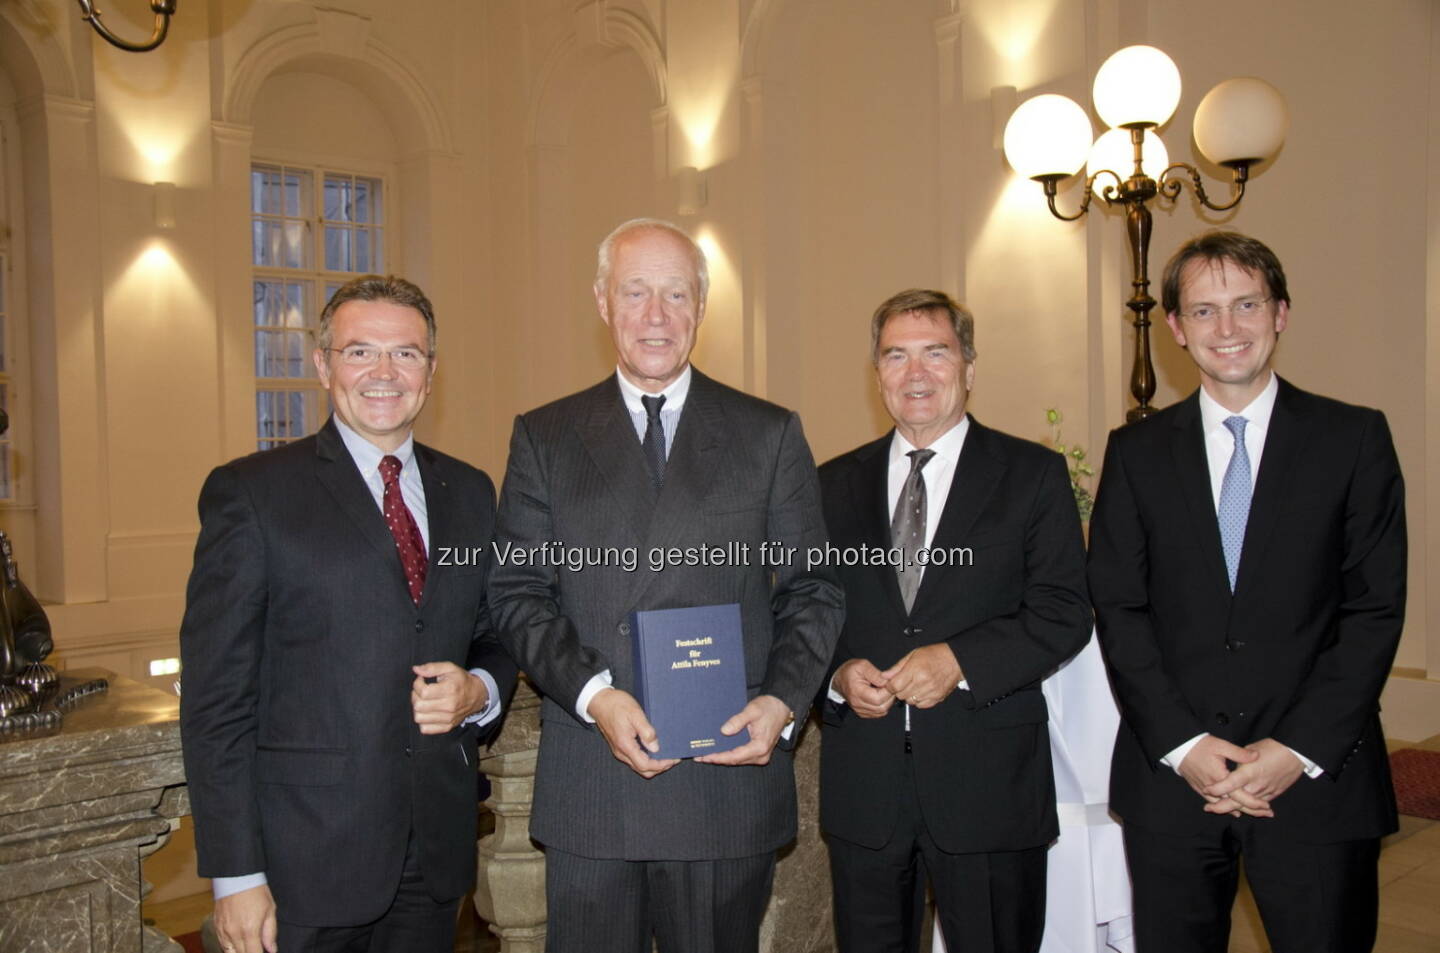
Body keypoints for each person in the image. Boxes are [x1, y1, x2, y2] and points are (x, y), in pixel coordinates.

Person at [487, 218, 844, 953]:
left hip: (723, 772)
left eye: (676, 293)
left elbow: (813, 588)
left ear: (701, 307)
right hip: (593, 778)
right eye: (636, 291)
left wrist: (781, 702)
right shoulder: (546, 436)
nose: (656, 315)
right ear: (602, 301)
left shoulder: (767, 432)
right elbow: (518, 590)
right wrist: (594, 695)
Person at [1088, 231, 1406, 953]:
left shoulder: (1353, 439)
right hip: (1173, 781)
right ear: (1175, 328)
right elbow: (1121, 608)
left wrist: (1295, 748)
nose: (1226, 329)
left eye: (1246, 304)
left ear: (1281, 312)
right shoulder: (1135, 452)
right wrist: (1184, 742)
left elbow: (1374, 609)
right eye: (1204, 311)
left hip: (1317, 781)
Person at [179, 275, 517, 953]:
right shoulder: (252, 493)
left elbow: (495, 632)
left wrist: (479, 689)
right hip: (300, 867)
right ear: (323, 364)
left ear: (431, 371)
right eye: (361, 351)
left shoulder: (471, 491)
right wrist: (235, 873)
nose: (385, 373)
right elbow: (217, 700)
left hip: (435, 856)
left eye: (407, 354)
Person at [816, 288, 1091, 953]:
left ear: (968, 365)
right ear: (876, 371)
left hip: (989, 787)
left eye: (935, 353)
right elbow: (803, 611)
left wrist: (962, 659)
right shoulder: (828, 485)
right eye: (896, 356)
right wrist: (837, 674)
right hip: (866, 790)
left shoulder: (1031, 474)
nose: (915, 374)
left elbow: (1064, 611)